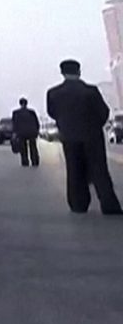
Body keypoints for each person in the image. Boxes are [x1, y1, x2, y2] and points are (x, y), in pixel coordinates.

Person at [46, 60, 122, 215]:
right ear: (79, 71)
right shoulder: (91, 91)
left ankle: (78, 204)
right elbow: (103, 112)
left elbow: (52, 112)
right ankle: (109, 205)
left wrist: (65, 124)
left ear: (62, 73)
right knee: (99, 171)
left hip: (69, 137)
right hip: (92, 136)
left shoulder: (53, 93)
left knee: (74, 170)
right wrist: (94, 126)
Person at [12, 98, 41, 167]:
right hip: (31, 132)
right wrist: (37, 130)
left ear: (20, 103)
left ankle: (25, 162)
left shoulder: (16, 113)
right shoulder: (32, 112)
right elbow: (36, 122)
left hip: (21, 133)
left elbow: (15, 123)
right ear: (26, 103)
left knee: (23, 148)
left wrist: (15, 133)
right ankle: (35, 161)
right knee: (33, 147)